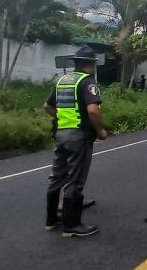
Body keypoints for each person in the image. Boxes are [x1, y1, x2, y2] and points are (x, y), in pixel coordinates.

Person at [43, 45, 107, 237]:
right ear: (91, 64)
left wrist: (61, 118)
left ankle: (51, 220)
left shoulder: (62, 80)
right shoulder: (87, 81)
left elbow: (47, 106)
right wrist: (100, 130)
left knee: (57, 176)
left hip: (61, 135)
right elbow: (93, 110)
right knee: (75, 180)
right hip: (79, 137)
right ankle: (71, 225)